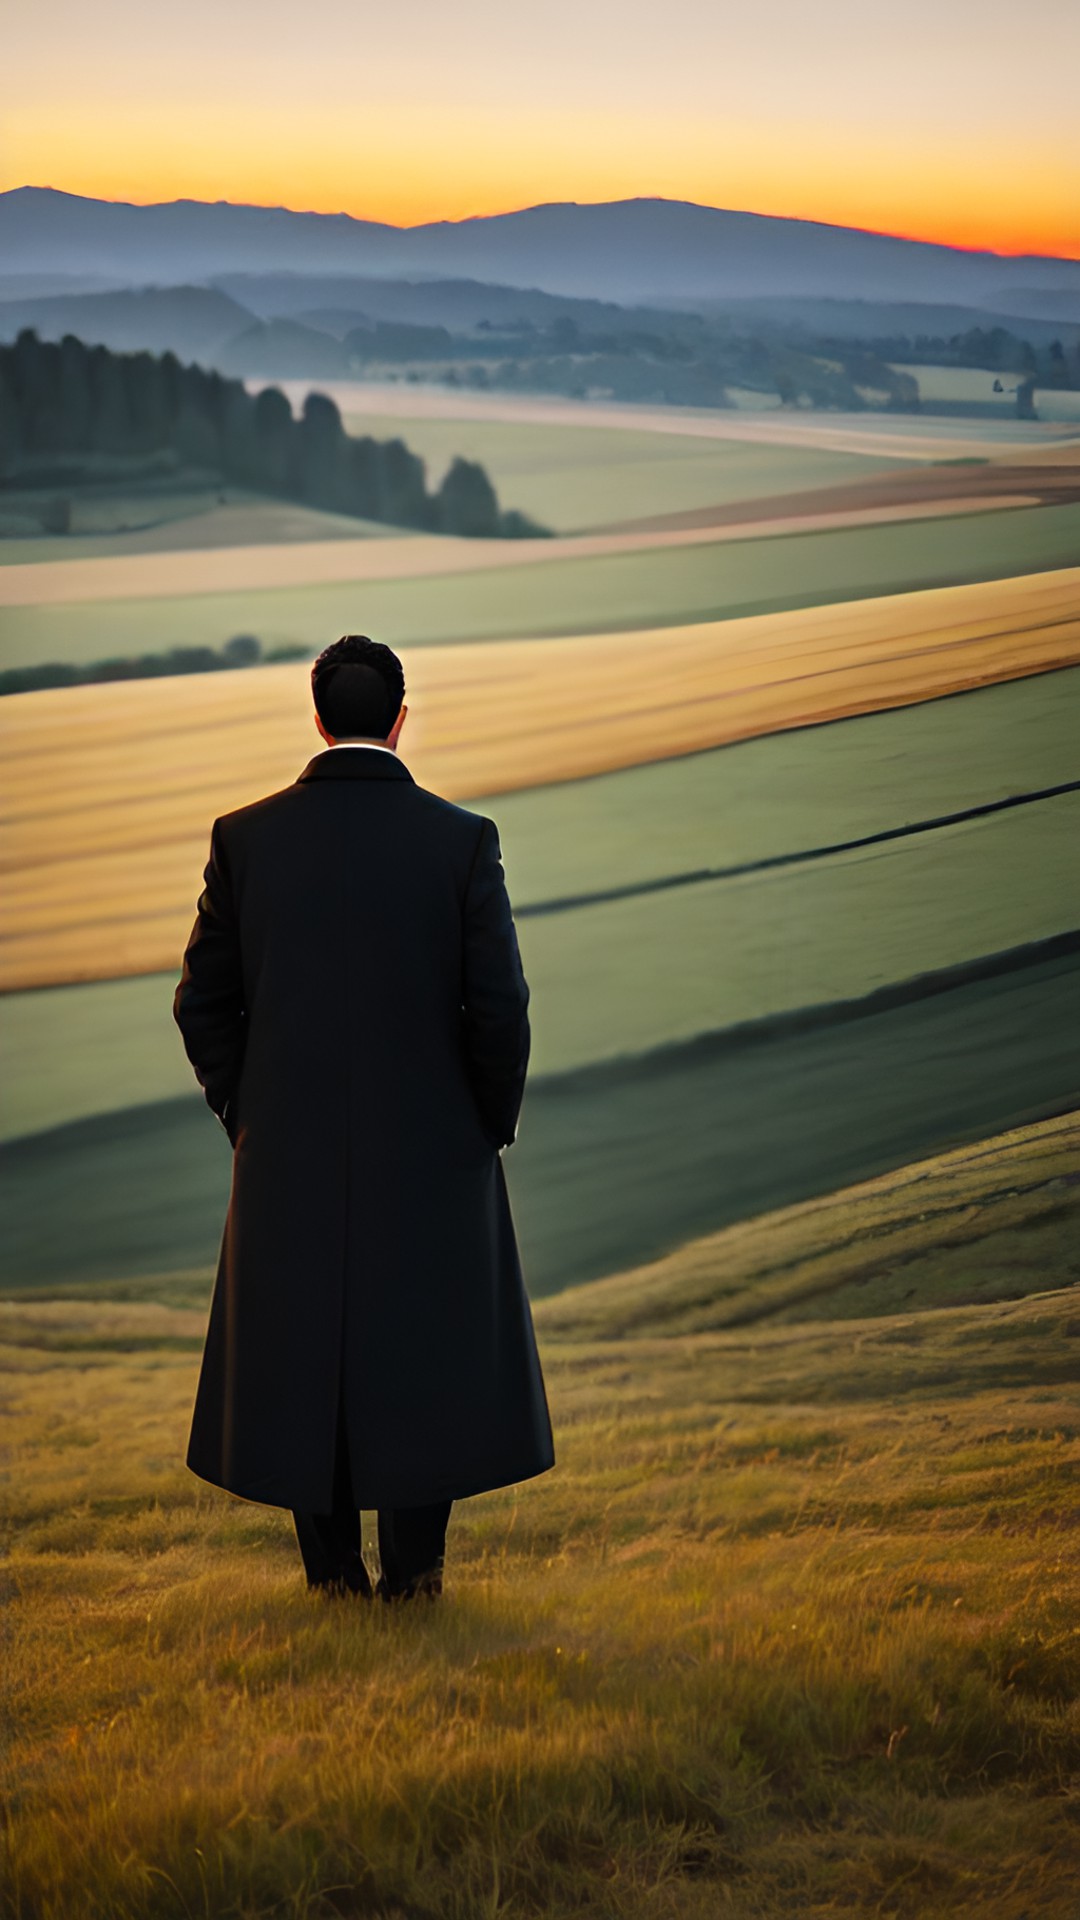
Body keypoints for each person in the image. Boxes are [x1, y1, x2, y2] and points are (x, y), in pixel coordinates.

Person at [173, 634, 555, 1603]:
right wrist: (486, 1126)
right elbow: (501, 1007)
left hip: (285, 1153)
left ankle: (332, 1582)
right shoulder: (462, 838)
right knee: (422, 1349)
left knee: (304, 1349)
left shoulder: (244, 837)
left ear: (317, 719)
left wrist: (245, 1110)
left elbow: (201, 1003)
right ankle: (416, 1582)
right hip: (435, 1151)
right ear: (398, 718)